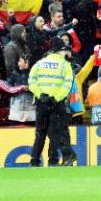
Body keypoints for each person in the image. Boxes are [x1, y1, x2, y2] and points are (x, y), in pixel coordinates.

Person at [28, 37, 77, 167]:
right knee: (56, 132)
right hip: (57, 103)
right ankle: (57, 159)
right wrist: (55, 98)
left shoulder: (39, 63)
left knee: (40, 133)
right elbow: (67, 85)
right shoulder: (65, 65)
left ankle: (34, 161)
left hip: (41, 103)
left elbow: (32, 82)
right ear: (61, 50)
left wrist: (41, 95)